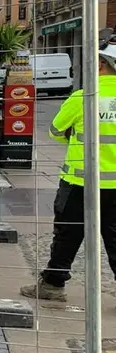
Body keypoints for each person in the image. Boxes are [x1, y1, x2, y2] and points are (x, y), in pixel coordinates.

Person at [21, 31, 116, 302]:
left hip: (80, 182)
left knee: (67, 234)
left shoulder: (84, 97)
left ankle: (53, 284)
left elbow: (54, 130)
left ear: (100, 65)